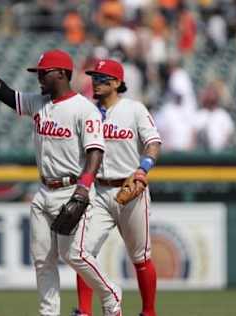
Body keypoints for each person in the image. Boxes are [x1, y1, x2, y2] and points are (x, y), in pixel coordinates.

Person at [0, 48, 122, 316]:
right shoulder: (39, 103)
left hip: (72, 189)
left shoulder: (84, 109)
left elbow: (95, 152)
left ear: (62, 74)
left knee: (75, 255)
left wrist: (84, 189)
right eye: (38, 72)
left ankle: (111, 295)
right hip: (43, 191)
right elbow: (1, 90)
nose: (39, 76)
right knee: (43, 261)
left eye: (44, 72)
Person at [72, 59, 162, 316]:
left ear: (116, 83)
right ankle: (85, 312)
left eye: (101, 78)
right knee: (82, 252)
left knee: (140, 257)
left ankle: (148, 312)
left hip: (130, 188)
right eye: (94, 77)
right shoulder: (87, 111)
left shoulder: (135, 109)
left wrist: (143, 169)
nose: (95, 82)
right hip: (97, 192)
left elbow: (153, 143)